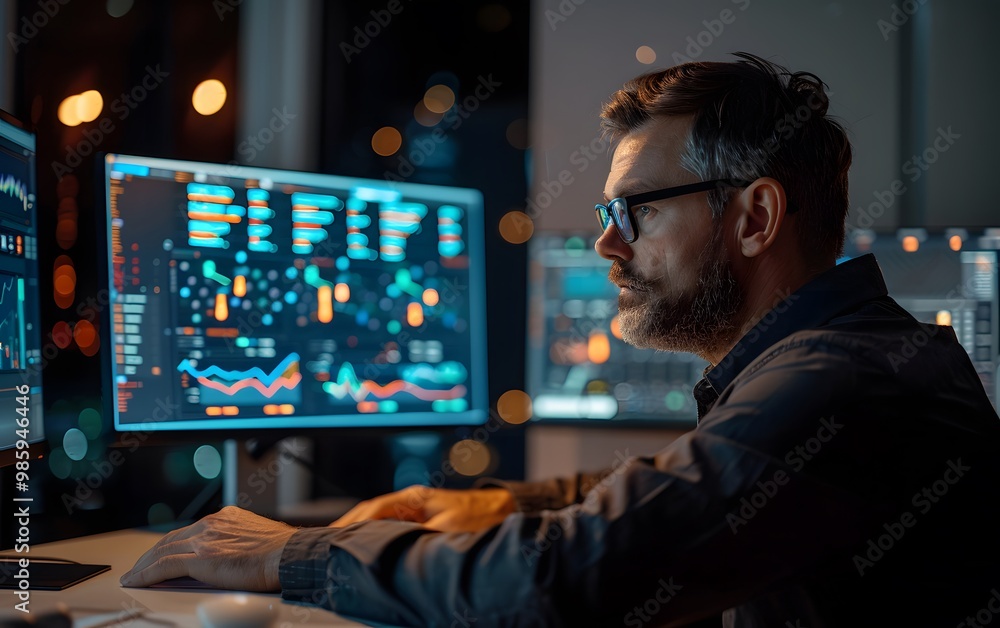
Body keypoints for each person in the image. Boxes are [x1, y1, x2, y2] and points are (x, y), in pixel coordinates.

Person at [121, 53, 1000, 627]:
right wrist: (502, 504)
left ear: (756, 216)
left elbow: (567, 579)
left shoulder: (841, 384)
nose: (608, 246)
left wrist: (292, 554)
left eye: (633, 213)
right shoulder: (844, 358)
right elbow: (681, 485)